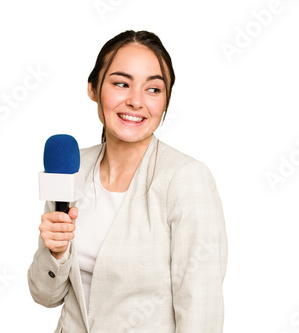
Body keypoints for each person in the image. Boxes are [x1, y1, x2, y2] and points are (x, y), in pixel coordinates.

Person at [28, 30, 228, 332]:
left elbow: (201, 310)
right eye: (121, 83)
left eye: (153, 89)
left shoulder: (186, 179)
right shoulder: (71, 168)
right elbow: (45, 296)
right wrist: (56, 252)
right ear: (93, 88)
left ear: (165, 101)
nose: (136, 101)